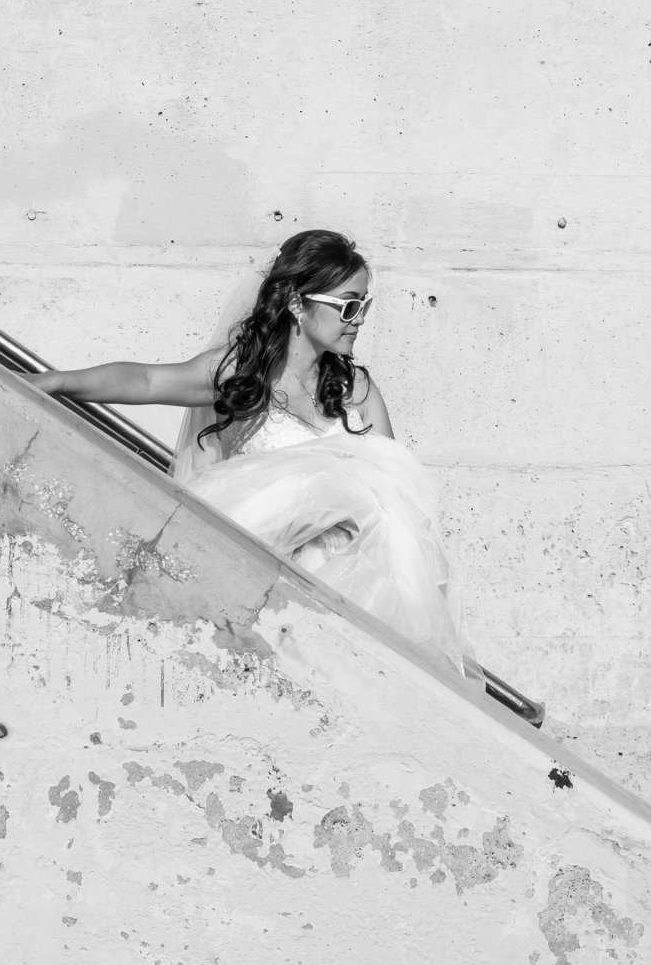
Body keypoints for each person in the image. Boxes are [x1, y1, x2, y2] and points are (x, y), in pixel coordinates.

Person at [29, 230, 470, 671]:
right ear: (299, 304)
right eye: (348, 305)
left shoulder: (358, 391)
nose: (358, 320)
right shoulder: (244, 373)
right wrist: (58, 382)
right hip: (270, 584)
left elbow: (397, 500)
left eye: (365, 306)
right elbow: (147, 381)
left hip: (351, 592)